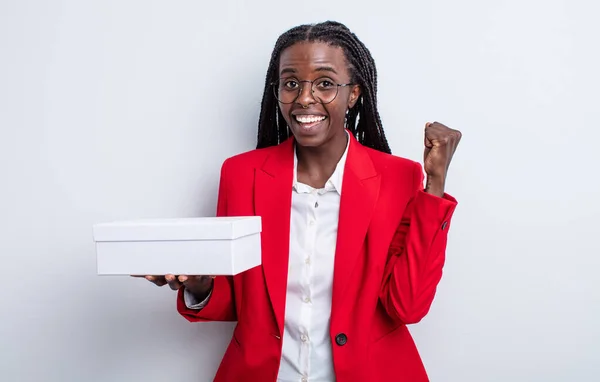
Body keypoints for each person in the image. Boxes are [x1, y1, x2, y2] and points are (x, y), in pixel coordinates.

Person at [141, 21, 461, 382]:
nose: (304, 98)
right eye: (291, 83)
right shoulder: (241, 174)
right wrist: (199, 283)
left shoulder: (398, 178)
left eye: (325, 83)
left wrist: (435, 185)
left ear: (353, 93)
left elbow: (407, 305)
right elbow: (240, 301)